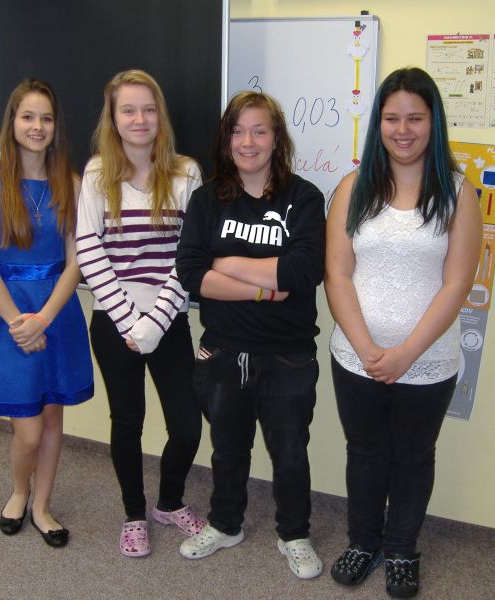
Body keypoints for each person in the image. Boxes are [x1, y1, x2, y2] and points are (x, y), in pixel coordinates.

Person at [325, 67, 482, 598]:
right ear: (379, 125)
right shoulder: (353, 188)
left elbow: (458, 283)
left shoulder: (457, 193)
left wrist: (406, 354)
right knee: (365, 453)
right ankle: (363, 542)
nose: (403, 129)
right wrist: (369, 349)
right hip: (356, 356)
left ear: (433, 122)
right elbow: (337, 274)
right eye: (392, 118)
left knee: (414, 458)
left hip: (428, 360)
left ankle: (400, 549)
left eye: (415, 118)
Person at [176, 91, 326, 580]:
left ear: (276, 138)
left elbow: (302, 271)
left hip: (288, 356)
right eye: (238, 131)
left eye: (259, 130)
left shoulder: (305, 198)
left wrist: (227, 263)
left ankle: (294, 534)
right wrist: (263, 288)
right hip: (223, 350)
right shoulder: (207, 199)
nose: (248, 141)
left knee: (291, 453)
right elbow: (192, 274)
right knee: (227, 449)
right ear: (226, 140)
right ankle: (225, 524)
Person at [75, 70, 205, 558]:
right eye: (128, 110)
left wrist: (155, 322)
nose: (139, 119)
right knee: (127, 422)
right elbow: (89, 251)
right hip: (114, 320)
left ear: (160, 116)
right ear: (112, 118)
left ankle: (169, 503)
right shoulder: (96, 174)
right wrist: (131, 321)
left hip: (168, 318)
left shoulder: (186, 173)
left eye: (149, 109)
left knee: (187, 424)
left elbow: (189, 255)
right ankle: (134, 513)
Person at [0, 79, 94, 548]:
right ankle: (19, 491)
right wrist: (21, 322)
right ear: (12, 122)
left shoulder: (71, 183)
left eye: (46, 118)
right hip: (7, 315)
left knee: (53, 418)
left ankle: (42, 506)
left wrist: (44, 319)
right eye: (28, 117)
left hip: (55, 312)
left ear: (56, 126)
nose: (37, 127)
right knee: (30, 429)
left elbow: (76, 262)